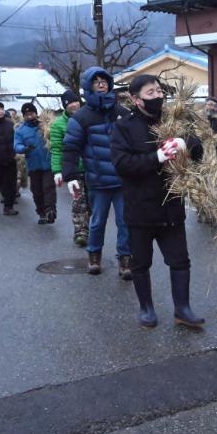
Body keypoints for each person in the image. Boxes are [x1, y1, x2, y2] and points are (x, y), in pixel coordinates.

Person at [111, 74, 205, 328]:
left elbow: (198, 150)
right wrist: (157, 157)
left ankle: (182, 309)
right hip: (140, 209)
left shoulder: (172, 121)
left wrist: (185, 143)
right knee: (141, 263)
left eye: (159, 91)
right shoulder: (124, 127)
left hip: (171, 207)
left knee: (180, 260)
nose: (157, 97)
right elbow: (122, 164)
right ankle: (146, 308)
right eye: (150, 93)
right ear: (135, 99)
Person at [62, 67, 132, 278]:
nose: (101, 84)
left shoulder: (123, 113)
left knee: (125, 221)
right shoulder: (81, 117)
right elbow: (70, 148)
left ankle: (125, 261)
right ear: (88, 86)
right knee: (97, 221)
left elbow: (136, 142)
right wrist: (71, 176)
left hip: (123, 180)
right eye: (96, 81)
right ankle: (94, 258)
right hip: (98, 181)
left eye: (104, 81)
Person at [51, 89, 89, 245]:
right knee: (79, 201)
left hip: (92, 167)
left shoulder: (89, 117)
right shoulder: (58, 124)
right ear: (65, 106)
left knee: (94, 203)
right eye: (70, 103)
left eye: (76, 101)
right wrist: (57, 171)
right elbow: (56, 149)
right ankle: (81, 232)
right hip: (73, 169)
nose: (74, 105)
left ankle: (91, 228)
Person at [14, 102, 56, 224]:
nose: (29, 116)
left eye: (31, 113)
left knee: (49, 188)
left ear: (36, 113)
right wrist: (24, 148)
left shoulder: (45, 126)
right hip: (33, 165)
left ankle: (50, 210)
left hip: (48, 163)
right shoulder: (20, 130)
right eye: (26, 114)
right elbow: (16, 145)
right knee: (37, 191)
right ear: (23, 116)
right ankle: (41, 213)